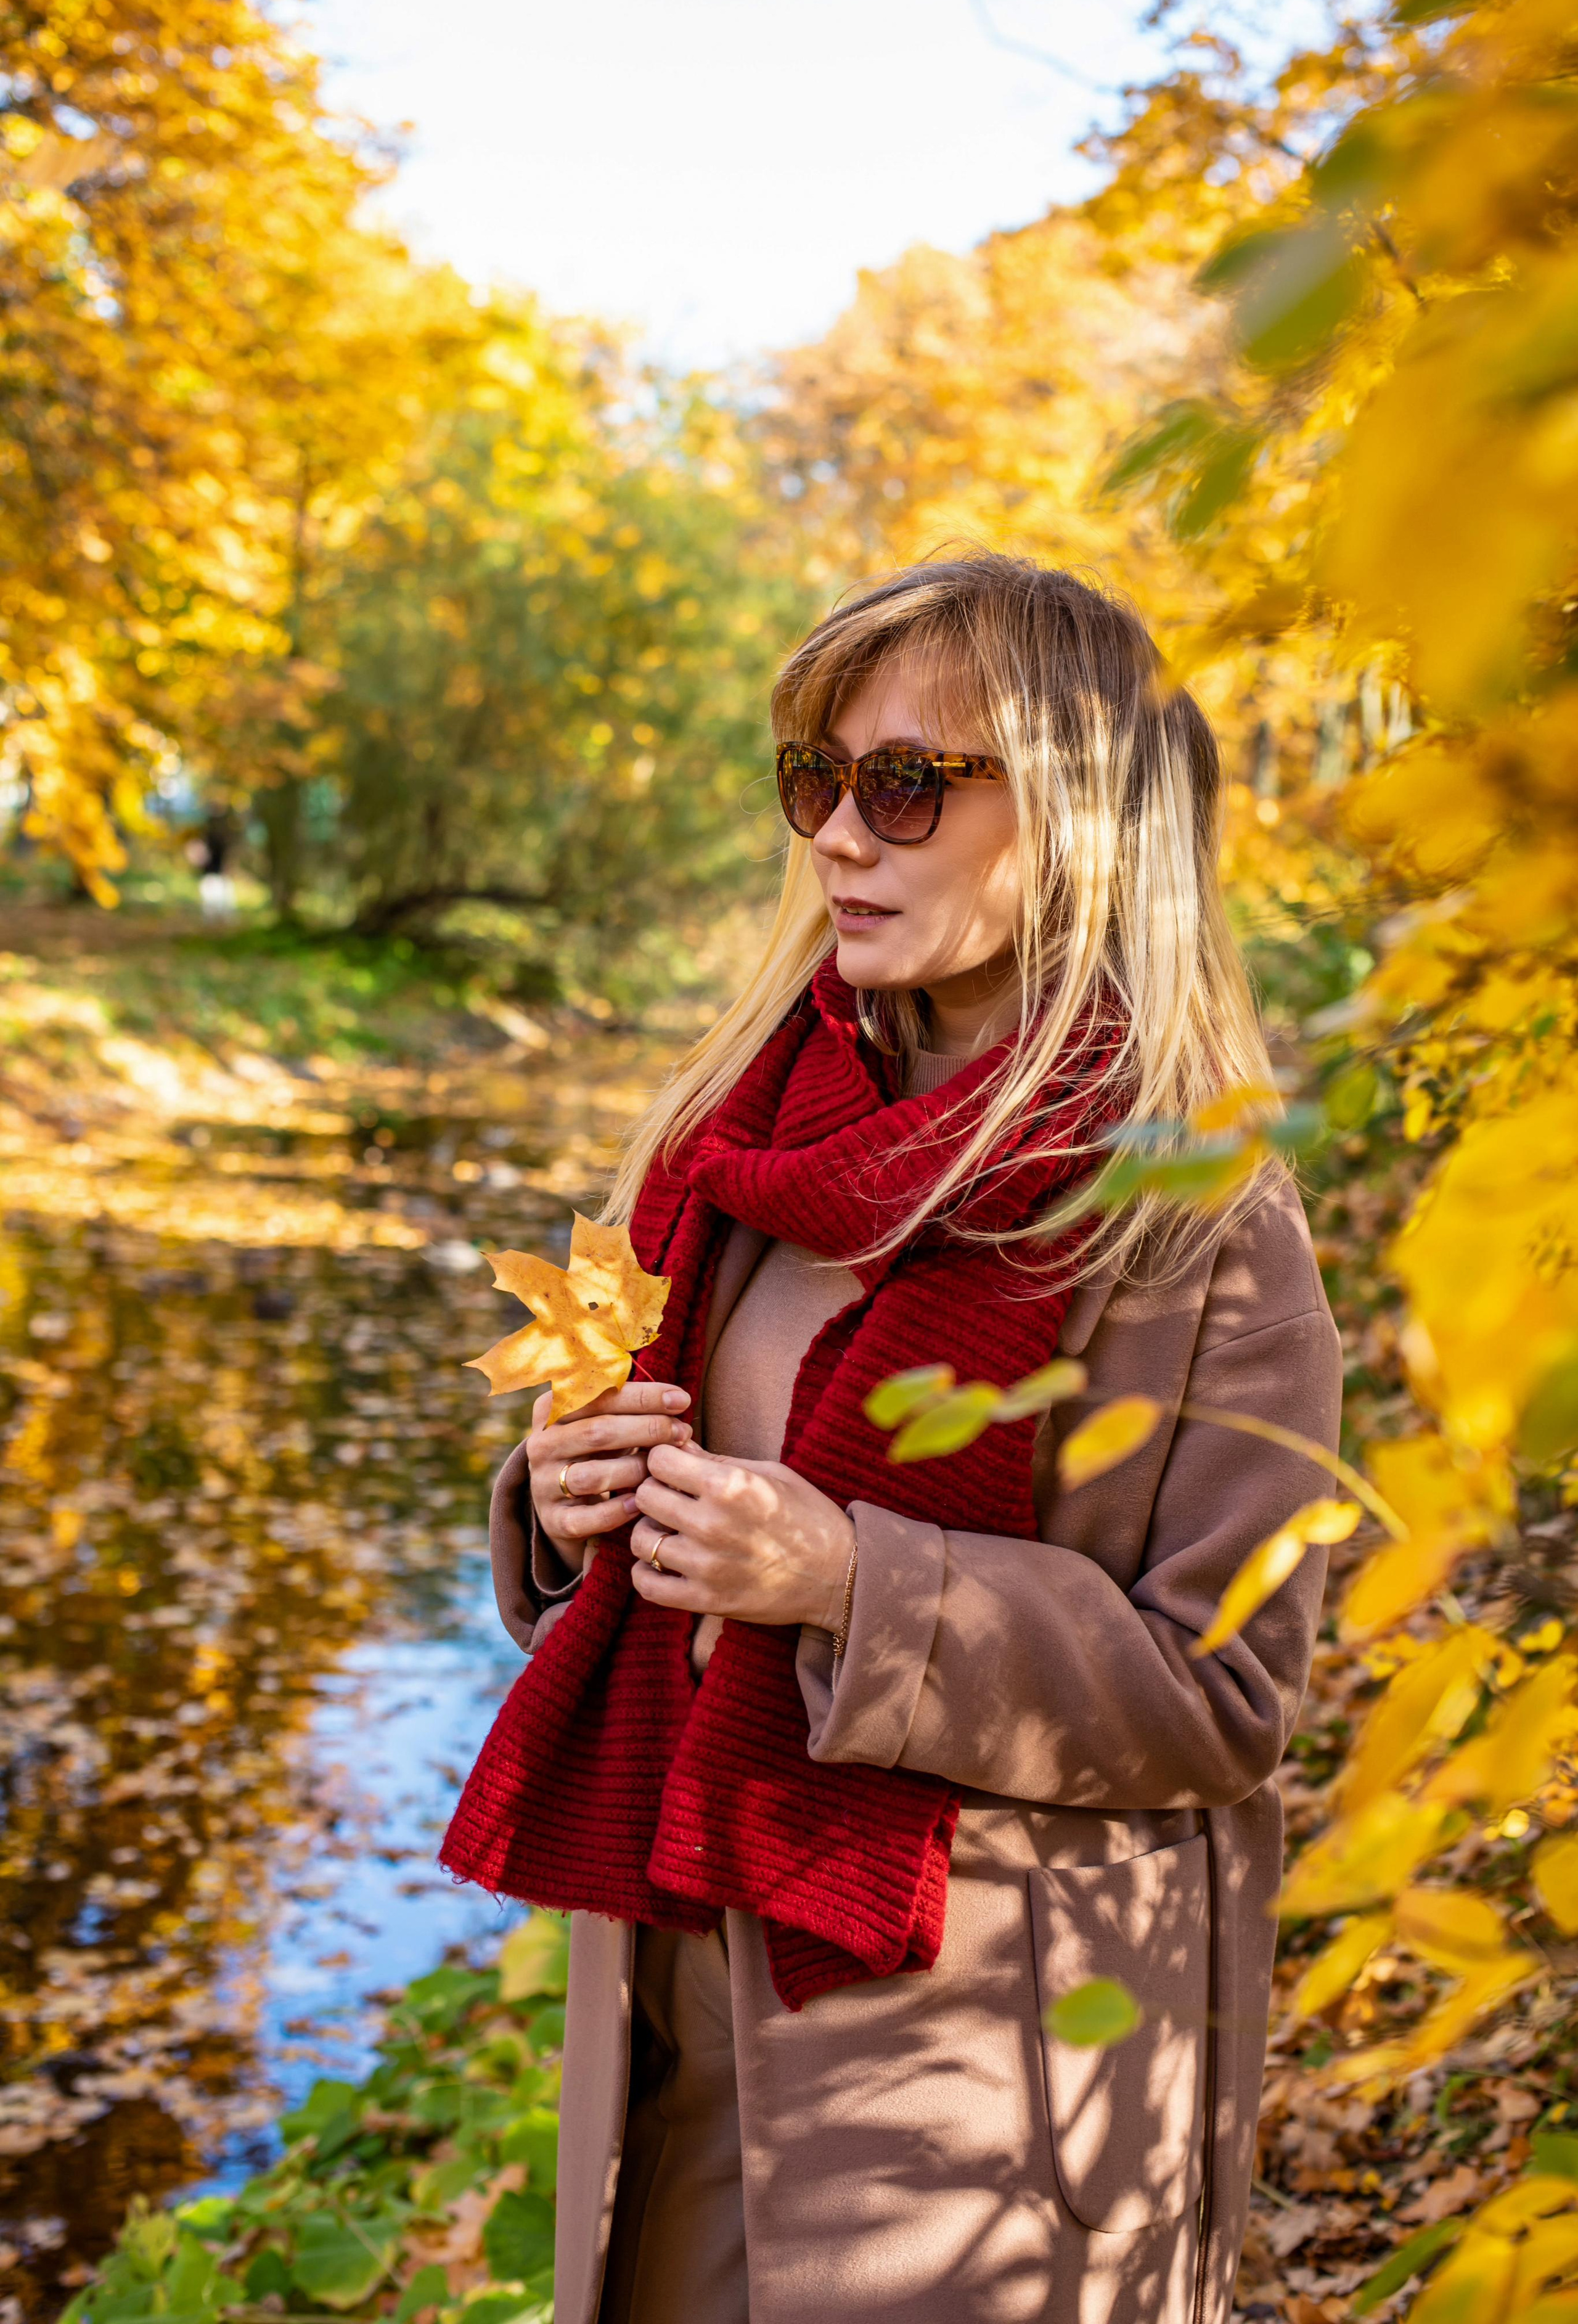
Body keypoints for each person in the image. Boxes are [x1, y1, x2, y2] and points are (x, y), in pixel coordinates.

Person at [443, 554, 1343, 2324]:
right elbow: (650, 1527)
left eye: (909, 784)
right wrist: (561, 1506)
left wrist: (854, 1579)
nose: (842, 836)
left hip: (978, 2082)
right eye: (818, 781)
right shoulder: (739, 1139)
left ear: (1079, 814)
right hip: (692, 1998)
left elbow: (1228, 1696)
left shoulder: (1196, 1216)